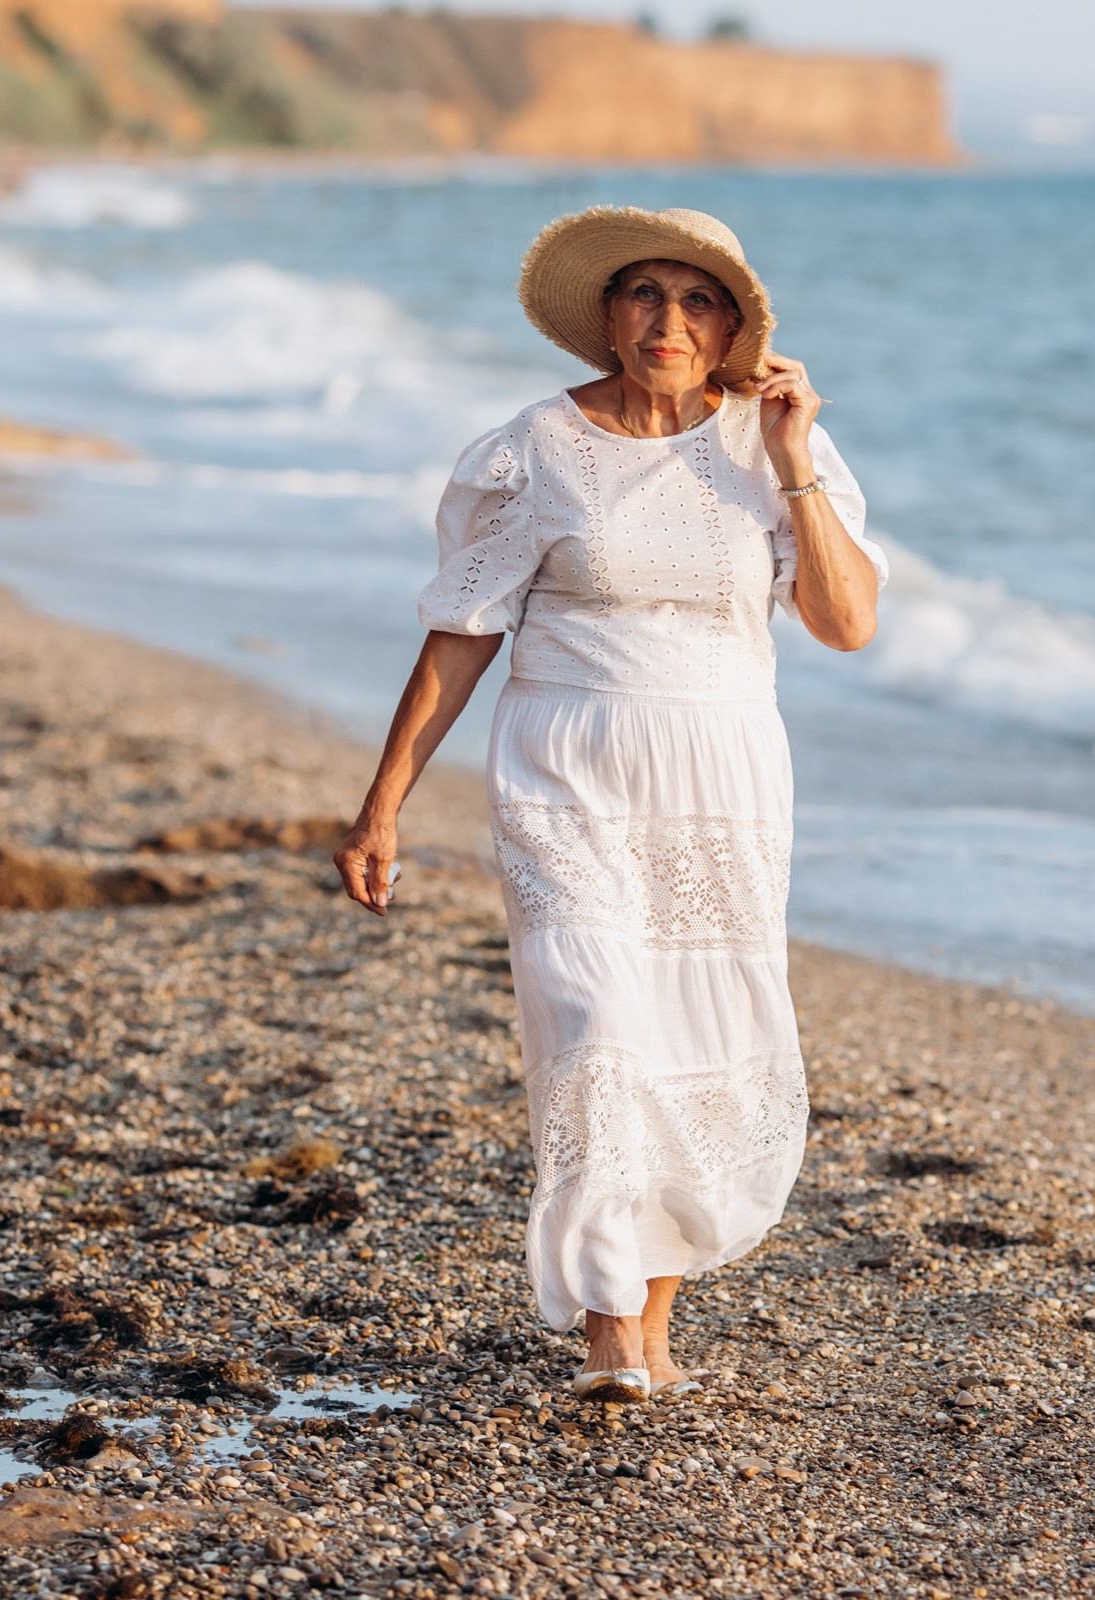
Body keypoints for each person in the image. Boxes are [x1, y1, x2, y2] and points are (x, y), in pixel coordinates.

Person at [335, 206, 886, 1404]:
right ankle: (605, 1330)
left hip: (722, 777)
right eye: (645, 294)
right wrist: (383, 805)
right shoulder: (532, 448)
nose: (668, 321)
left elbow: (846, 624)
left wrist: (793, 460)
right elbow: (459, 633)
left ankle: (653, 1325)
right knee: (594, 1027)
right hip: (565, 763)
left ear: (735, 327)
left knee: (691, 1033)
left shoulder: (773, 449)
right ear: (605, 312)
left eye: (697, 302)